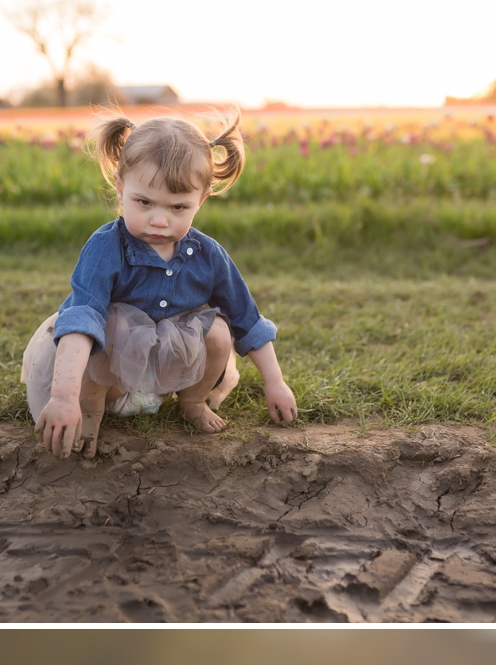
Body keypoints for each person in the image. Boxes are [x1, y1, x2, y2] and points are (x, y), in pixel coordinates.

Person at [22, 111, 297, 459]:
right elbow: (82, 317)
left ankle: (192, 402)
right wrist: (63, 396)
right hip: (108, 372)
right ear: (121, 188)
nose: (159, 220)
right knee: (108, 324)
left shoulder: (208, 256)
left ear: (202, 199)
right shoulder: (106, 248)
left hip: (171, 364)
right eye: (144, 202)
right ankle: (90, 409)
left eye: (178, 207)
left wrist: (275, 382)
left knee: (218, 332)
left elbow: (247, 318)